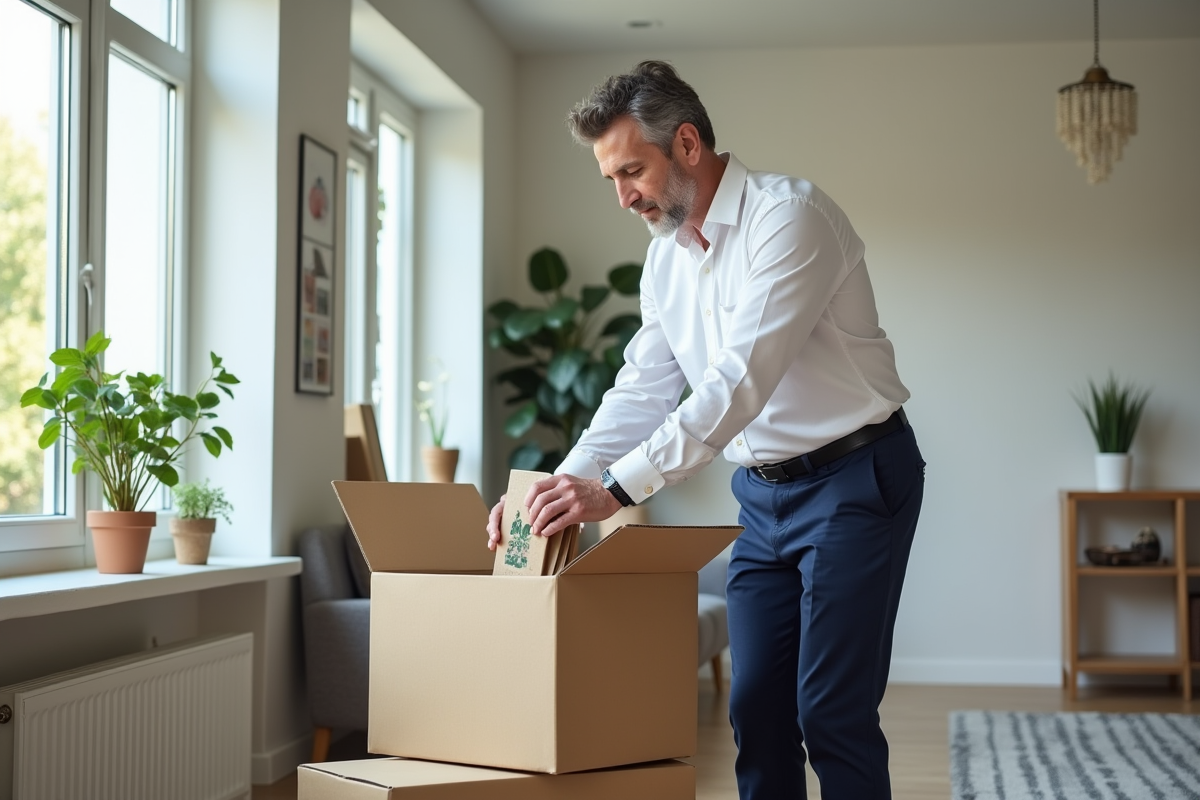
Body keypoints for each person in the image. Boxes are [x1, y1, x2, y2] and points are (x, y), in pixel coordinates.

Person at [486, 60, 925, 800]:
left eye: (633, 171)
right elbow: (643, 388)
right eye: (611, 180)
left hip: (856, 479)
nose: (624, 197)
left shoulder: (791, 220)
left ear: (687, 144)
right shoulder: (666, 262)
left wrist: (616, 489)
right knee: (755, 711)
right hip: (763, 497)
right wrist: (556, 484)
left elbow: (737, 384)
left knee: (832, 711)